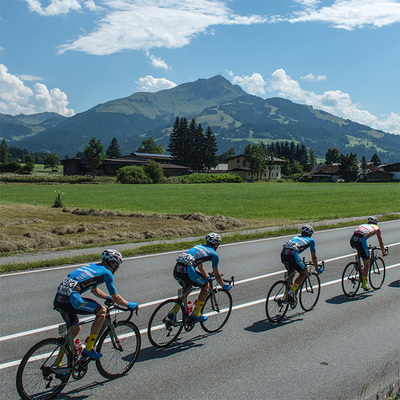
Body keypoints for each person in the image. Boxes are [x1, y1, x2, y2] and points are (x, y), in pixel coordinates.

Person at [53, 249, 138, 359]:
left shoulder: (92, 267)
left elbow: (94, 291)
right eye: (117, 265)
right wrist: (129, 304)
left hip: (59, 300)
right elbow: (116, 298)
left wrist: (108, 297)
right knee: (102, 311)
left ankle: (58, 364)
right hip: (73, 301)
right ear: (112, 263)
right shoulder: (107, 273)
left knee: (75, 330)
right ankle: (89, 348)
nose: (117, 268)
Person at [173, 232, 231, 322]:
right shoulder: (214, 255)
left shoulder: (199, 246)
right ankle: (197, 314)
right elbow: (217, 275)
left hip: (177, 269)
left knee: (188, 288)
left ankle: (173, 313)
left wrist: (205, 277)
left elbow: (200, 266)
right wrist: (224, 285)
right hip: (188, 271)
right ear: (216, 245)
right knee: (205, 287)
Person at [281, 225, 319, 300]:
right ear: (310, 234)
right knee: (304, 273)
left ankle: (287, 292)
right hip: (293, 255)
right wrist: (317, 268)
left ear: (301, 233)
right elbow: (314, 257)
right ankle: (291, 292)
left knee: (292, 272)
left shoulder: (295, 237)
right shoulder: (311, 240)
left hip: (283, 254)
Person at [350, 216, 388, 291]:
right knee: (367, 263)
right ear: (376, 223)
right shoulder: (377, 228)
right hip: (361, 240)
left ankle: (357, 264)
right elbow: (380, 242)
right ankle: (364, 283)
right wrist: (383, 251)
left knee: (360, 250)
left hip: (352, 239)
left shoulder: (363, 225)